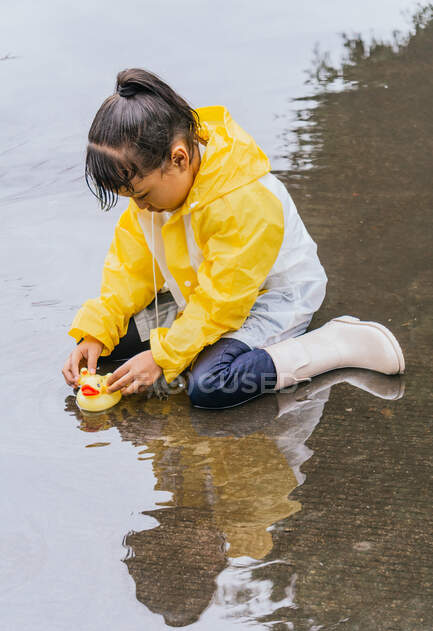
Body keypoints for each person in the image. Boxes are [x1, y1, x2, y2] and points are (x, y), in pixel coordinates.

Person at [62, 68, 405, 409]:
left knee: (211, 384)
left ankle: (335, 344)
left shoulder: (241, 201)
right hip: (202, 291)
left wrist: (164, 355)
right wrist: (96, 332)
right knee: (112, 341)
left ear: (178, 157)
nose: (139, 206)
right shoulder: (158, 190)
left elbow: (224, 302)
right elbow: (131, 270)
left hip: (265, 297)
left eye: (142, 194)